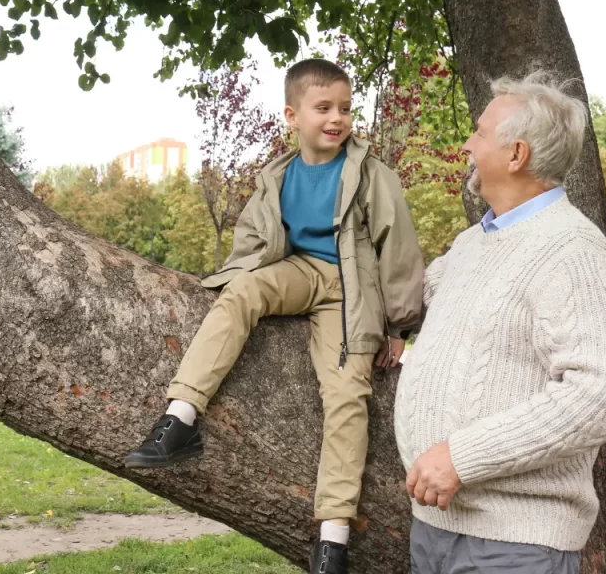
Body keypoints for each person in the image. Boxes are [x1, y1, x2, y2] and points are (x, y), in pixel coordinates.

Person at [123, 58, 425, 574]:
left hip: (349, 293)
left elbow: (398, 249)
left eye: (345, 108)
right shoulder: (277, 175)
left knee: (347, 395)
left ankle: (332, 540)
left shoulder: (372, 175)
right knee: (242, 292)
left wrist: (399, 325)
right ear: (292, 115)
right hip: (298, 272)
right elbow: (252, 240)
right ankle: (180, 419)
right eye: (323, 108)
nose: (337, 118)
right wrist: (237, 271)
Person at [395, 71, 606, 574]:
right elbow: (408, 300)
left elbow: (605, 395)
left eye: (480, 133)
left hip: (515, 546)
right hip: (435, 529)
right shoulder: (471, 244)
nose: (467, 144)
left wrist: (461, 457)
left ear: (516, 155)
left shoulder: (576, 252)